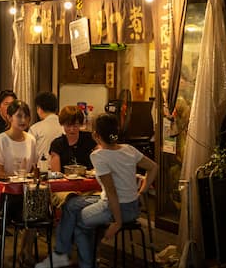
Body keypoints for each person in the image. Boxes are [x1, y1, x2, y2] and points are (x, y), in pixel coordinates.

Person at [37, 113, 158, 268]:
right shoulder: (129, 149)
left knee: (80, 221)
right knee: (71, 204)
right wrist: (141, 192)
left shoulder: (99, 156)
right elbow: (154, 167)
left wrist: (117, 222)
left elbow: (112, 191)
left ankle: (87, 262)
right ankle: (64, 252)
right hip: (133, 208)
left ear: (96, 135)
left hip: (114, 208)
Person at [0, 100, 37, 178]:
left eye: (26, 116)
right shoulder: (1, 140)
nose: (23, 120)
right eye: (19, 116)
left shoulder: (31, 140)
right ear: (9, 117)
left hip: (27, 186)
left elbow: (34, 167)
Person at [48, 106, 97, 172]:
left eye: (75, 125)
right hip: (65, 181)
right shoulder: (57, 144)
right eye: (68, 125)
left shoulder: (89, 138)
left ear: (80, 124)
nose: (72, 129)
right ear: (62, 124)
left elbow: (101, 156)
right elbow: (56, 173)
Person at [29, 91, 64, 162]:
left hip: (41, 169)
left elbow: (29, 155)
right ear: (56, 108)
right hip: (61, 170)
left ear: (39, 108)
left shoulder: (35, 128)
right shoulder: (64, 126)